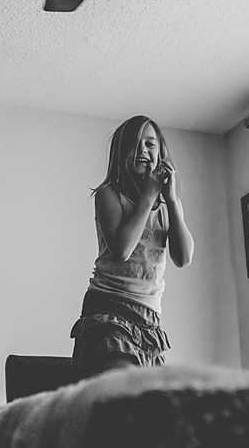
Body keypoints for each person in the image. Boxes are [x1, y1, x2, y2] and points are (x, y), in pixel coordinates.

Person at [70, 115, 195, 380]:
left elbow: (183, 258)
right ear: (120, 154)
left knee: (152, 398)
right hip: (108, 309)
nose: (142, 151)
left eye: (150, 144)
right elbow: (122, 249)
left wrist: (171, 201)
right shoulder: (109, 195)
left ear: (160, 152)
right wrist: (148, 196)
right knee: (122, 384)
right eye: (134, 144)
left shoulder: (168, 206)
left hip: (149, 317)